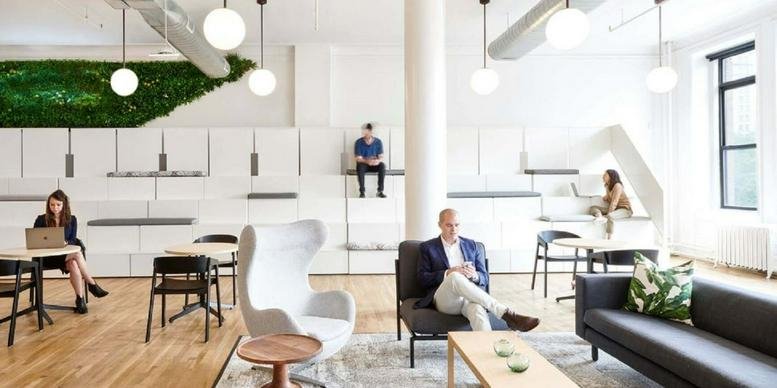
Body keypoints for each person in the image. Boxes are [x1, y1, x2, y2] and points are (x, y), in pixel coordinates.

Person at [415, 209, 540, 332]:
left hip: (469, 298)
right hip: (445, 300)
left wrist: (474, 275)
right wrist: (448, 272)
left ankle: (487, 344)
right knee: (454, 277)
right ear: (440, 225)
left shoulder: (471, 245)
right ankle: (506, 314)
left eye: (457, 225)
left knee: (478, 310)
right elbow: (422, 279)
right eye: (449, 225)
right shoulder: (427, 247)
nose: (454, 229)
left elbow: (484, 277)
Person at [34, 190, 109, 314]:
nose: (55, 207)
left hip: (65, 255)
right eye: (52, 204)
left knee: (73, 263)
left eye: (58, 204)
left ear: (64, 205)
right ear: (48, 205)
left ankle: (80, 299)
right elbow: (35, 239)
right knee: (77, 254)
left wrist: (66, 243)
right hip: (47, 257)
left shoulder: (72, 219)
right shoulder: (41, 219)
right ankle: (91, 284)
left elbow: (73, 240)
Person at [589, 169, 633, 239]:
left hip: (625, 210)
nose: (603, 176)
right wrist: (604, 197)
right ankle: (600, 217)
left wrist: (608, 213)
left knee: (610, 216)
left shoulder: (618, 186)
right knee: (593, 208)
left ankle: (609, 238)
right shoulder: (607, 185)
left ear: (611, 177)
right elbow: (608, 196)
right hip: (615, 209)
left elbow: (614, 202)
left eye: (605, 175)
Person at [354, 122, 387, 198]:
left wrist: (377, 161)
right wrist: (367, 161)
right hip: (364, 164)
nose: (363, 132)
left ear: (370, 131)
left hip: (374, 164)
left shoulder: (378, 142)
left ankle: (380, 191)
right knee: (360, 166)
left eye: (366, 130)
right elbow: (358, 158)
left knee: (382, 165)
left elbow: (381, 156)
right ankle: (362, 192)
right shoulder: (358, 142)